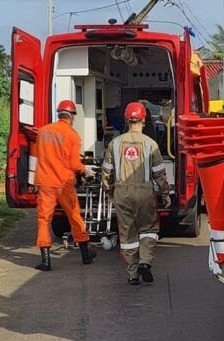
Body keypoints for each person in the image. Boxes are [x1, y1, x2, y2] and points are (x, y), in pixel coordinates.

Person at [101, 102, 170, 285]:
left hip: (121, 193)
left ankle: (132, 274)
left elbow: (106, 172)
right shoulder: (151, 144)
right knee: (149, 229)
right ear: (144, 120)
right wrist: (165, 193)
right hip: (144, 193)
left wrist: (109, 191)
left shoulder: (115, 144)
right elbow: (159, 173)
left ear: (126, 119)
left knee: (127, 234)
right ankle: (145, 263)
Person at [32, 100, 97, 271]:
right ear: (72, 116)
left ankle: (45, 260)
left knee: (44, 220)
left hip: (45, 182)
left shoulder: (43, 131)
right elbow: (75, 164)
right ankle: (85, 254)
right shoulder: (72, 135)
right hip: (63, 183)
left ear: (59, 114)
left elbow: (39, 155)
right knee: (74, 216)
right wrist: (85, 170)